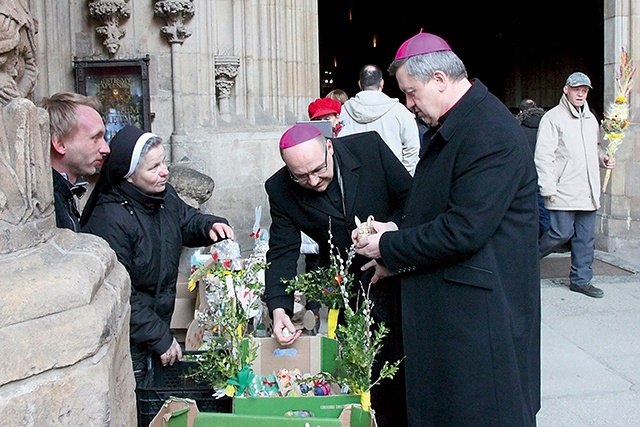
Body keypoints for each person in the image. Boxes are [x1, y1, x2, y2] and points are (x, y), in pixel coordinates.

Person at [352, 31, 541, 426]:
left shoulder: (488, 130)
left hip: (481, 318)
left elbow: (463, 229)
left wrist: (389, 246)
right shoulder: (457, 122)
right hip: (456, 312)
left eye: (412, 93)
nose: (409, 104)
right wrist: (394, 228)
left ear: (439, 80)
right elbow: (434, 204)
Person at [264, 123, 412, 426]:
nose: (314, 181)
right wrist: (279, 308)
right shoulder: (279, 188)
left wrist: (391, 249)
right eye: (301, 176)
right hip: (353, 288)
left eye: (319, 169)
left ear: (330, 147)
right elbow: (282, 251)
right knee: (366, 377)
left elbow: (411, 202)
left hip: (403, 275)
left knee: (409, 376)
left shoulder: (369, 149)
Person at [80, 125, 234, 392]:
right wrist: (160, 337)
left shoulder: (164, 197)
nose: (164, 171)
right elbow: (122, 292)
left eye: (164, 162)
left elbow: (187, 221)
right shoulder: (109, 219)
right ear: (129, 176)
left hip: (155, 324)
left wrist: (210, 226)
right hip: (130, 338)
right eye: (154, 167)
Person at [535, 72, 615, 298]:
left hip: (587, 189)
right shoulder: (553, 118)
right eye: (577, 88)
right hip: (563, 188)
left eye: (585, 90)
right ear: (566, 89)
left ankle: (581, 280)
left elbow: (595, 148)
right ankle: (525, 261)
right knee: (560, 233)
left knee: (585, 237)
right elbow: (543, 156)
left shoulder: (591, 120)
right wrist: (548, 188)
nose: (581, 93)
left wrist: (604, 158)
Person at [38, 92, 110, 231]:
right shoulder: (44, 205)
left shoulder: (64, 194)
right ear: (60, 143)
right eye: (95, 138)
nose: (106, 149)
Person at [340, 64, 420, 175]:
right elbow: (412, 148)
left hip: (356, 178)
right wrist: (402, 174)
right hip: (391, 178)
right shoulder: (400, 111)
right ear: (382, 83)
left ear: (360, 84)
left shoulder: (342, 112)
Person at [516, 98, 549, 236]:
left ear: (520, 111)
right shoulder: (547, 124)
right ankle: (547, 236)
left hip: (525, 175)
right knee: (545, 208)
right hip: (546, 172)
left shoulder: (517, 128)